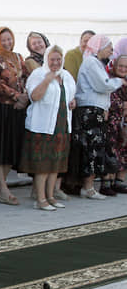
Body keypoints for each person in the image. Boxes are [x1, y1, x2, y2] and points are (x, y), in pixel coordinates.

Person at [69, 35, 124, 199]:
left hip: (96, 111)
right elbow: (103, 85)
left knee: (95, 148)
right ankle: (88, 187)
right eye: (109, 47)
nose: (111, 50)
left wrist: (106, 107)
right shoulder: (91, 63)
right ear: (99, 47)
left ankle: (89, 186)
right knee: (90, 149)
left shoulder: (96, 63)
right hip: (89, 112)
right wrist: (120, 82)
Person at [21, 45, 76, 211]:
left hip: (61, 126)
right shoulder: (38, 74)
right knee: (43, 166)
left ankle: (51, 196)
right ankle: (40, 198)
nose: (55, 62)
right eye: (52, 59)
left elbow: (71, 97)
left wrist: (73, 102)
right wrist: (47, 80)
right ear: (46, 59)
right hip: (42, 126)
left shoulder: (66, 76)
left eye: (58, 59)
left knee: (56, 165)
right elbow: (35, 96)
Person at [0, 26, 29, 206]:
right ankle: (3, 188)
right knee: (1, 148)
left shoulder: (19, 57)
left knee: (12, 148)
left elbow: (26, 78)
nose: (7, 42)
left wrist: (25, 96)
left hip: (18, 108)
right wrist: (16, 96)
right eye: (3, 39)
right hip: (2, 107)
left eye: (9, 39)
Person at [105, 45, 127, 193]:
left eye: (126, 67)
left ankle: (120, 180)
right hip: (111, 121)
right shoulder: (109, 80)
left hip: (124, 122)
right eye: (120, 66)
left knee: (124, 149)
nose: (123, 69)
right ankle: (107, 182)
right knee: (111, 150)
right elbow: (109, 100)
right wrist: (123, 105)